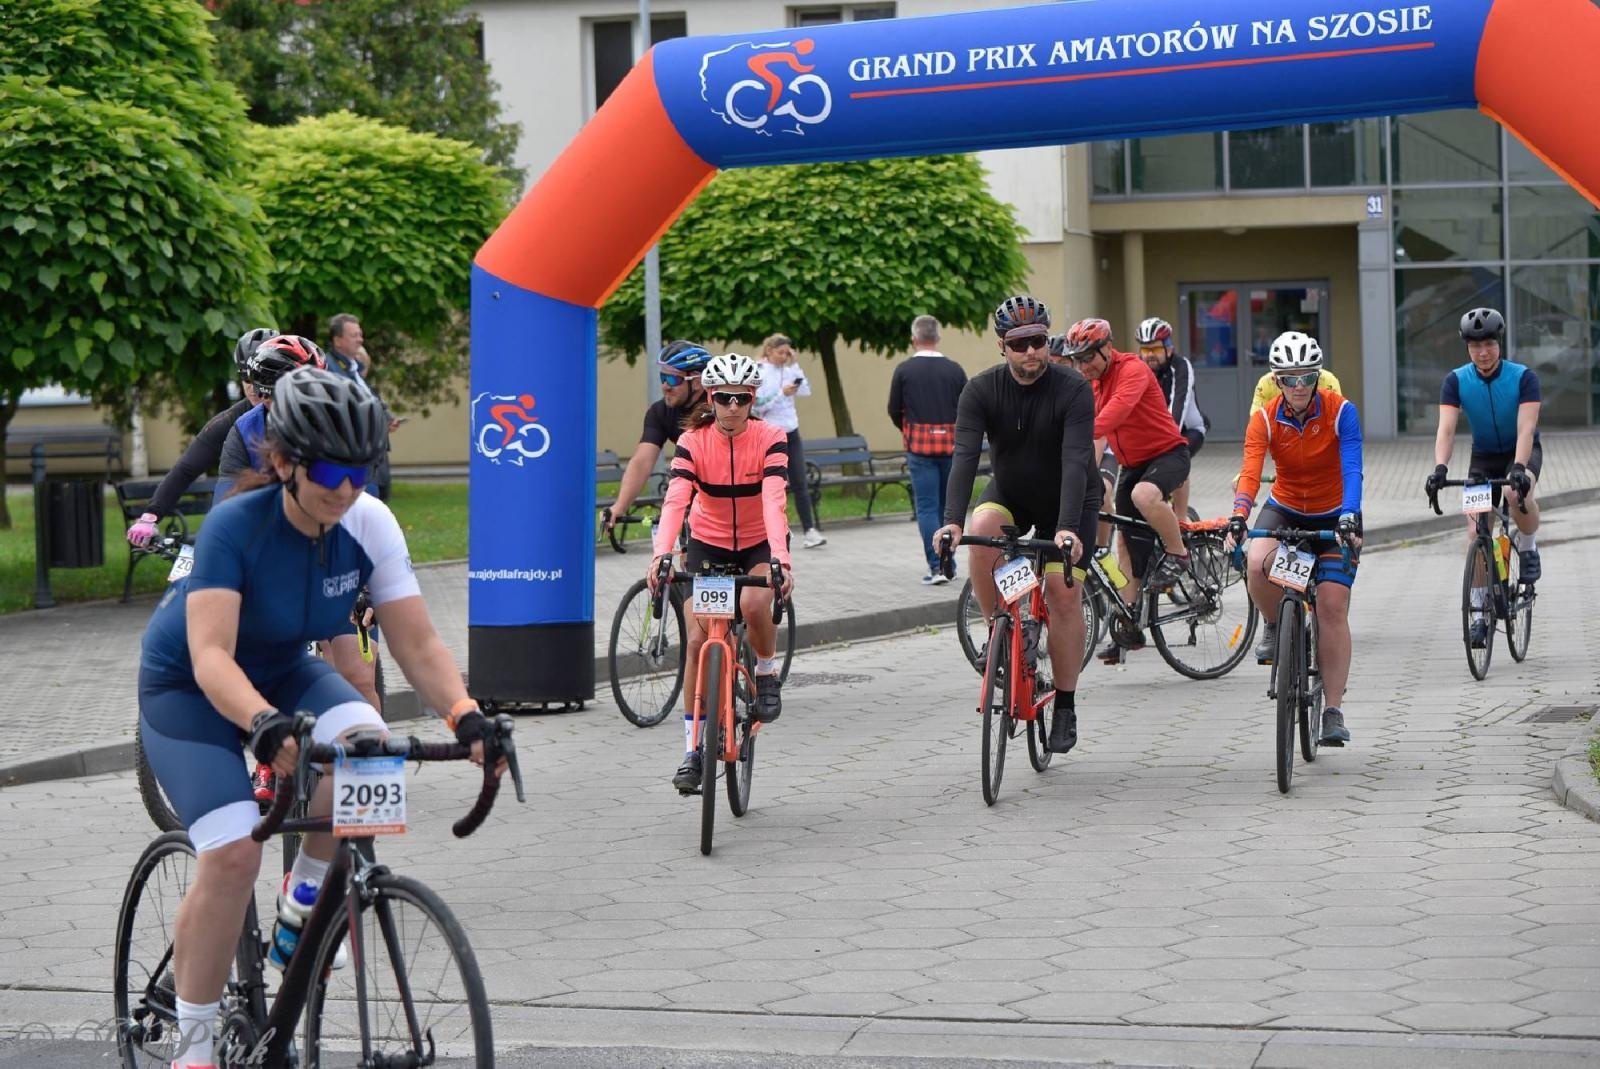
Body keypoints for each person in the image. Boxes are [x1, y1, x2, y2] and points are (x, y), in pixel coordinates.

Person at [137, 367, 499, 1069]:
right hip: (187, 686)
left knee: (372, 745)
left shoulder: (367, 523)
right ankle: (194, 1048)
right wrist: (266, 724)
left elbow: (416, 641)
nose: (345, 485)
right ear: (282, 461)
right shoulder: (234, 526)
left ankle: (302, 899)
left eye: (359, 469)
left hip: (278, 665)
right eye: (329, 467)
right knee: (235, 851)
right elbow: (211, 656)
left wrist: (465, 715)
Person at [932, 296, 1099, 755]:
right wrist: (950, 521)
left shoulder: (1073, 388)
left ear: (1049, 341)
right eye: (1019, 344)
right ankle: (998, 632)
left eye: (1039, 342)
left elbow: (1075, 459)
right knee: (981, 529)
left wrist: (1066, 528)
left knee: (1063, 596)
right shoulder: (980, 390)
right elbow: (964, 456)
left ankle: (1064, 705)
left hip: (1071, 501)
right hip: (1013, 494)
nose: (1030, 352)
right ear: (1002, 347)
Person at [648, 353, 796, 792]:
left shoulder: (771, 437)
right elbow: (676, 500)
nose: (733, 406)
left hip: (757, 540)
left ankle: (766, 672)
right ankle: (693, 750)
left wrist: (780, 561)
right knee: (698, 640)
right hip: (709, 542)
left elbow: (774, 501)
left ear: (752, 399)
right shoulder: (693, 441)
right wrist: (661, 554)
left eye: (742, 398)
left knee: (753, 604)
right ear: (711, 397)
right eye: (725, 398)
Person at [1228, 331, 1362, 747]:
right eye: (1290, 379)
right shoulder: (1265, 417)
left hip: (1335, 511)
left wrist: (1350, 516)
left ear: (1318, 377)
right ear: (1278, 381)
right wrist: (1238, 515)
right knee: (1255, 561)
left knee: (1331, 607)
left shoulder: (1342, 412)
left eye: (1307, 377)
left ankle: (1333, 711)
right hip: (1285, 506)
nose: (1299, 387)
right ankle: (1273, 624)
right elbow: (1250, 470)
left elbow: (1353, 467)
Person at [1063, 317, 1191, 658]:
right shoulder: (1093, 384)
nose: (1083, 365)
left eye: (1088, 356)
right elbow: (1096, 438)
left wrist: (1076, 432)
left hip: (1169, 455)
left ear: (1107, 348)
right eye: (1077, 359)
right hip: (1133, 465)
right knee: (1127, 549)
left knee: (1142, 496)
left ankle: (1178, 552)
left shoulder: (1132, 369)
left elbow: (1113, 415)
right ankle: (1128, 628)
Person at [1424, 308, 1543, 644]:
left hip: (1522, 451)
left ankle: (1530, 547)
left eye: (1489, 343)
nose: (1483, 352)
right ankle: (1478, 610)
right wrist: (1440, 468)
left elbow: (1526, 428)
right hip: (1483, 457)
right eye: (1475, 346)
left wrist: (1519, 468)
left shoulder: (1523, 377)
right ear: (1467, 348)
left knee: (1515, 494)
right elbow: (1446, 430)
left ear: (1498, 344)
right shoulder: (1456, 381)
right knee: (1475, 529)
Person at [125, 328, 278, 547]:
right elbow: (186, 469)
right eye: (245, 375)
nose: (252, 385)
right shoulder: (232, 420)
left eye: (261, 376)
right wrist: (150, 515)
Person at [888, 314, 968, 584]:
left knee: (926, 508)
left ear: (914, 339)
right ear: (938, 338)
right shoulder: (955, 370)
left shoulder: (904, 370)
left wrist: (909, 430)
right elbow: (966, 409)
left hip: (919, 447)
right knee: (947, 509)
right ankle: (951, 565)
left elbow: (893, 409)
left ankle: (937, 567)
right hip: (951, 447)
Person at [602, 341, 712, 532]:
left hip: (727, 493)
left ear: (696, 382)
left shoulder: (719, 409)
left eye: (672, 380)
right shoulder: (659, 412)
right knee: (685, 555)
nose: (664, 386)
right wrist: (619, 507)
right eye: (663, 377)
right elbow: (642, 462)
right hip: (690, 491)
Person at [214, 335, 327, 502]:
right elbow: (224, 506)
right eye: (298, 393)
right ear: (266, 397)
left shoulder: (336, 421)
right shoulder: (245, 430)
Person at [754, 333, 826, 549]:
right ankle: (772, 530)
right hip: (770, 432)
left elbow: (805, 390)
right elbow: (758, 405)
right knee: (773, 484)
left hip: (791, 431)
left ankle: (809, 530)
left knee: (800, 482)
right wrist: (781, 393)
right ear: (769, 351)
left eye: (787, 353)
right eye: (780, 353)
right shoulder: (759, 370)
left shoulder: (789, 368)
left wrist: (795, 366)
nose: (784, 357)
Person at [1136, 316, 1208, 523]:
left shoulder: (1181, 366)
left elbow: (1179, 406)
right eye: (1145, 350)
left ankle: (1181, 519)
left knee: (1177, 456)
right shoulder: (1139, 370)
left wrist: (1161, 445)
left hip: (1189, 429)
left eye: (1155, 350)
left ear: (1168, 348)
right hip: (1155, 434)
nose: (1150, 356)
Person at [326, 313, 393, 499]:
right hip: (355, 456)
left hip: (372, 453)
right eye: (354, 335)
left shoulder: (353, 368)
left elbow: (367, 400)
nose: (360, 340)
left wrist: (386, 418)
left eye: (360, 334)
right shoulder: (330, 369)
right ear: (338, 340)